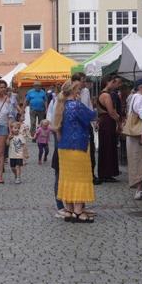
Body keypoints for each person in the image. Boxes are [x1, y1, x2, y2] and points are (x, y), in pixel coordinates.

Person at [53, 80, 97, 222]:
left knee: (67, 178)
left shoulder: (61, 105)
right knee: (80, 178)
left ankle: (70, 209)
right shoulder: (76, 105)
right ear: (74, 91)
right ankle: (78, 211)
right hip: (78, 145)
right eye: (79, 89)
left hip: (64, 146)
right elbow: (90, 116)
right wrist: (95, 108)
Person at [97, 75, 122, 182]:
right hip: (107, 122)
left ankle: (106, 172)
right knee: (108, 147)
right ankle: (106, 173)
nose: (114, 84)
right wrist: (119, 121)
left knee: (107, 146)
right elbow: (111, 112)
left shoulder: (101, 94)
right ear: (108, 82)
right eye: (113, 82)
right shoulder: (106, 95)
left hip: (105, 121)